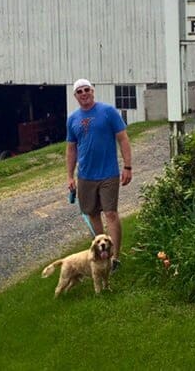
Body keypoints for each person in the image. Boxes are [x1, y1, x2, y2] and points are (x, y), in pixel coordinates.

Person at [66, 78, 132, 271]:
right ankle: (101, 252)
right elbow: (71, 149)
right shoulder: (73, 119)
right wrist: (70, 176)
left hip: (108, 173)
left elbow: (123, 139)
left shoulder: (108, 112)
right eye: (80, 91)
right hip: (85, 175)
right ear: (75, 96)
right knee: (92, 213)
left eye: (87, 90)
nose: (84, 94)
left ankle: (114, 258)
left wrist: (127, 166)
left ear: (93, 91)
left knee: (110, 213)